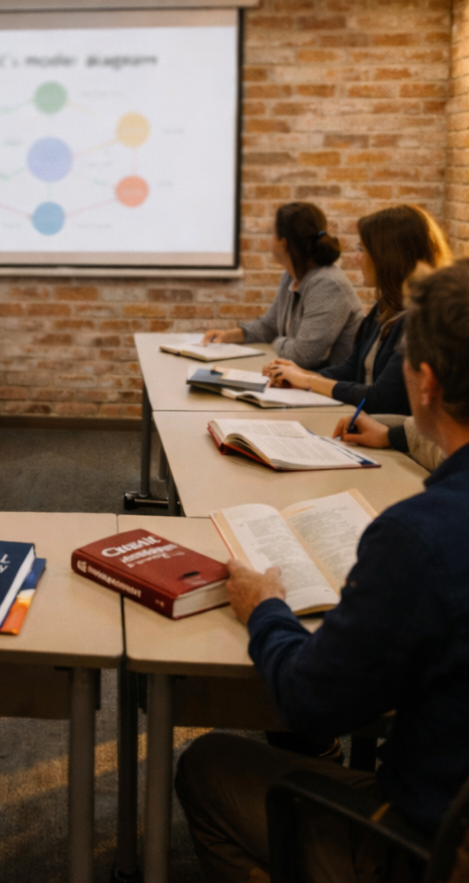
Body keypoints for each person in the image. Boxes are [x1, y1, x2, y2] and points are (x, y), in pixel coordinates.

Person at [175, 259, 469, 883]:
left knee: (206, 765)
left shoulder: (420, 538)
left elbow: (311, 703)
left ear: (425, 382)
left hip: (432, 845)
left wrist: (265, 608)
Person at [265, 204, 452, 414]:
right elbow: (353, 368)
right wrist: (298, 374)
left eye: (362, 250)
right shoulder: (385, 306)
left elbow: (379, 398)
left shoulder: (420, 322)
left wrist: (308, 380)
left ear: (388, 257)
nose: (356, 258)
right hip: (364, 421)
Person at [202, 202, 362, 368]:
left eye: (272, 233)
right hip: (303, 382)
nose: (269, 239)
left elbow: (305, 355)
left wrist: (276, 342)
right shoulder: (291, 276)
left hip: (330, 388)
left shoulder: (328, 284)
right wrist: (229, 336)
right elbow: (269, 326)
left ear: (283, 243)